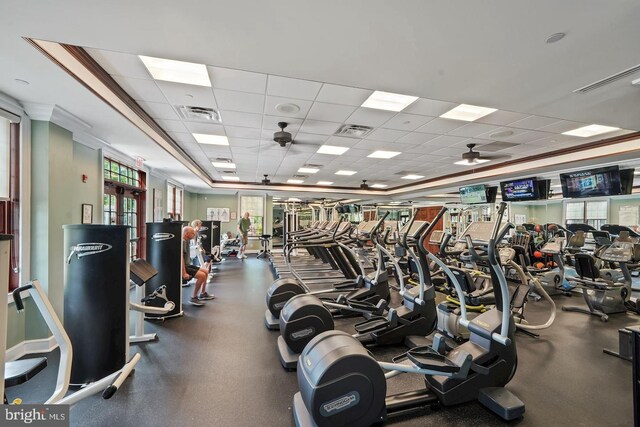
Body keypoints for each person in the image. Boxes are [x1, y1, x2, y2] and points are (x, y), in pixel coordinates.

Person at [182, 226, 215, 306]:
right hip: (184, 267)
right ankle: (194, 297)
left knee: (206, 272)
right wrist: (184, 273)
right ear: (187, 234)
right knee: (201, 276)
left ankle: (203, 293)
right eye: (192, 233)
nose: (194, 234)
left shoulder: (187, 241)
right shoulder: (183, 241)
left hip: (188, 265)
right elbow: (181, 258)